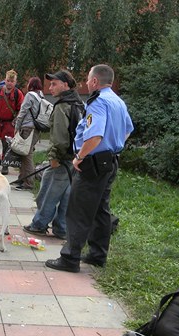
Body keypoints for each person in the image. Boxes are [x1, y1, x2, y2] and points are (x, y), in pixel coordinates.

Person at [45, 64, 134, 272]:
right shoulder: (118, 101)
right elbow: (128, 129)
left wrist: (79, 157)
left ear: (95, 81)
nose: (85, 83)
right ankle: (97, 255)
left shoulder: (98, 102)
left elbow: (94, 136)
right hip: (110, 161)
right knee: (100, 210)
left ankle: (70, 258)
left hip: (93, 163)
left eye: (87, 79)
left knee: (78, 210)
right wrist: (113, 146)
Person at [23, 71, 84, 240]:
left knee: (47, 193)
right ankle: (62, 229)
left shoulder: (62, 106)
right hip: (75, 158)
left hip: (62, 158)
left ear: (65, 85)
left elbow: (59, 137)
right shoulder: (79, 103)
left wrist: (54, 157)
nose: (50, 88)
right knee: (66, 195)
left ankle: (39, 225)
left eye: (54, 84)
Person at [0, 70, 24, 175]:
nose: (9, 83)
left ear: (15, 82)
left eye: (12, 81)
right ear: (5, 80)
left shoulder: (18, 93)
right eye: (8, 80)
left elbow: (21, 109)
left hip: (9, 122)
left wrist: (16, 120)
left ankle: (5, 164)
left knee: (6, 144)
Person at [12, 77, 43, 191]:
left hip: (27, 128)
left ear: (31, 85)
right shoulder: (41, 96)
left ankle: (28, 183)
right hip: (36, 129)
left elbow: (22, 112)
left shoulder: (30, 95)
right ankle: (22, 179)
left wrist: (16, 127)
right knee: (24, 154)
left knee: (26, 155)